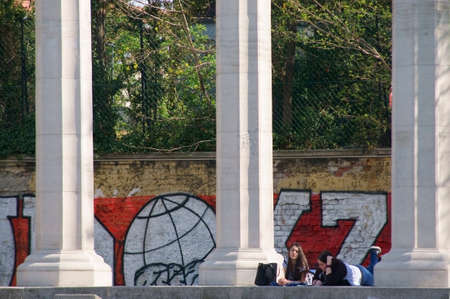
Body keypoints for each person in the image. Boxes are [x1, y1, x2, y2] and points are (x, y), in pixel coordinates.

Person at [313, 246, 382, 286]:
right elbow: (316, 276)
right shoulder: (322, 268)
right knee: (370, 270)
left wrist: (328, 266)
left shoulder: (339, 268)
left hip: (363, 275)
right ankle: (376, 255)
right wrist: (316, 280)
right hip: (356, 269)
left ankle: (374, 253)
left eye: (322, 264)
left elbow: (329, 283)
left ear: (328, 263)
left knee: (374, 272)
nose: (320, 267)